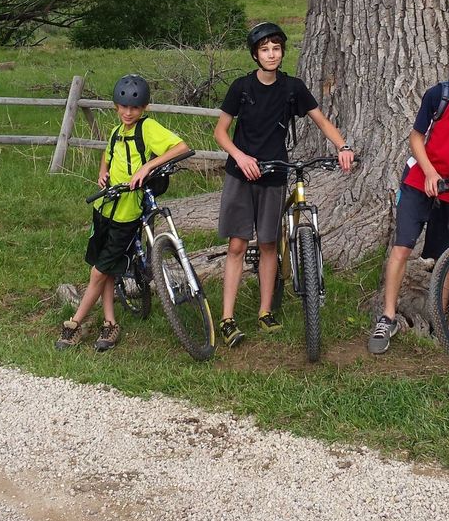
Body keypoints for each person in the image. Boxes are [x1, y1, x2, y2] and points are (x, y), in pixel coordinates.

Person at [214, 22, 355, 347]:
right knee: (237, 245)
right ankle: (227, 318)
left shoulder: (292, 88)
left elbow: (321, 120)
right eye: (264, 49)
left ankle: (265, 312)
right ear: (255, 55)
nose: (271, 54)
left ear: (282, 52)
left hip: (275, 173)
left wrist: (343, 146)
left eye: (276, 48)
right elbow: (220, 132)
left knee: (268, 244)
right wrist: (240, 157)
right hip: (241, 174)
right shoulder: (241, 87)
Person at [368, 37, 449, 355]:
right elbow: (416, 138)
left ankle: (439, 322)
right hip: (419, 180)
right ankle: (387, 317)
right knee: (402, 248)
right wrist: (429, 173)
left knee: (445, 258)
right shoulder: (438, 96)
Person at [56, 74, 190, 353]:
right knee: (105, 267)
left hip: (127, 215)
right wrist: (102, 172)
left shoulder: (147, 128)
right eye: (124, 107)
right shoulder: (117, 131)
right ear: (116, 106)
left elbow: (181, 147)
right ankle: (110, 323)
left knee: (98, 272)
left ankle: (74, 324)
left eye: (135, 108)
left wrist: (147, 167)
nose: (129, 113)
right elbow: (107, 155)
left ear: (144, 108)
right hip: (105, 208)